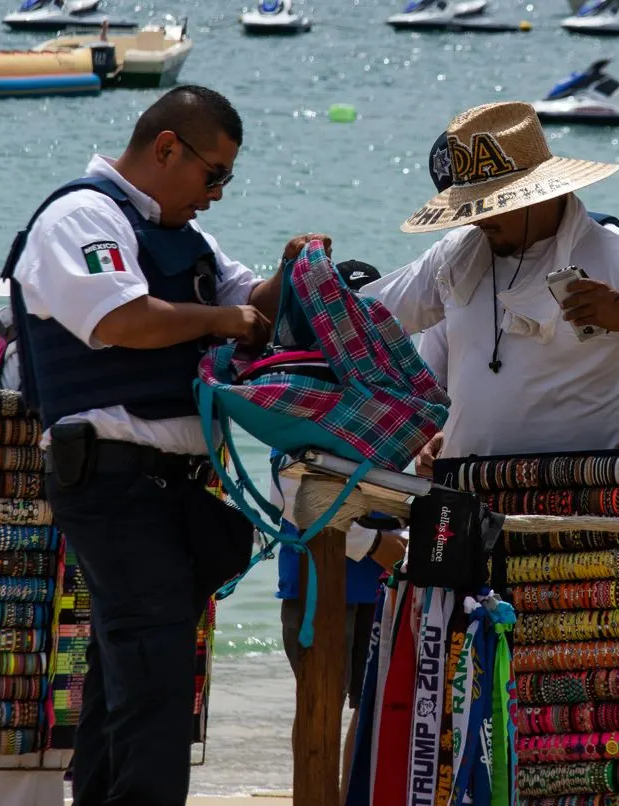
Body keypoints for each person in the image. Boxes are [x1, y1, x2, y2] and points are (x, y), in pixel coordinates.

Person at [7, 84, 329, 806]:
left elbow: (256, 307)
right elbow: (124, 318)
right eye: (213, 175)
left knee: (126, 680)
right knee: (153, 683)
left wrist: (296, 266)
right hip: (113, 480)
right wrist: (229, 321)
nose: (216, 195)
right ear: (165, 148)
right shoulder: (80, 216)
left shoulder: (187, 239)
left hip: (167, 486)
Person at [360, 101, 619, 471]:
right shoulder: (456, 254)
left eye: (492, 204)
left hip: (568, 497)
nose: (479, 219)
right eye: (473, 206)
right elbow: (369, 319)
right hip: (462, 490)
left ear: (539, 192)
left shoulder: (611, 253)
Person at [272, 259, 407, 804]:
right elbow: (294, 499)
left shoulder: (379, 399)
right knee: (319, 701)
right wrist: (376, 544)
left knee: (368, 704)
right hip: (316, 586)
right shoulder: (304, 396)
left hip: (376, 585)